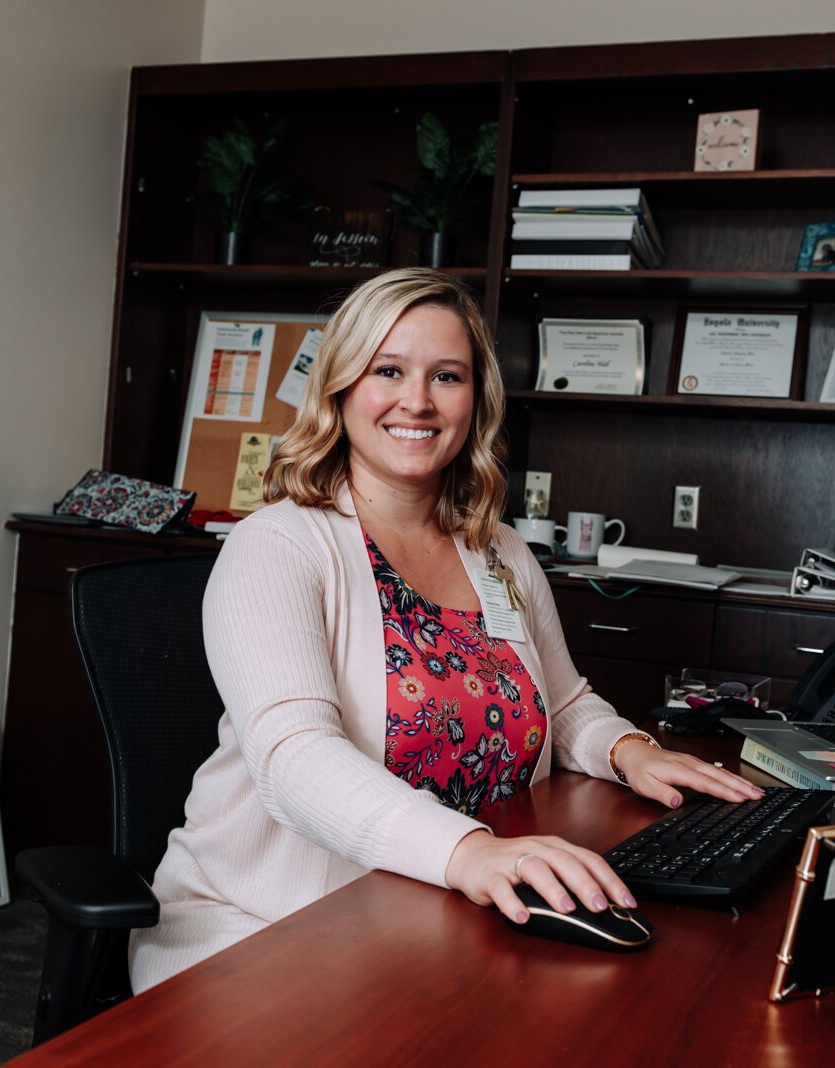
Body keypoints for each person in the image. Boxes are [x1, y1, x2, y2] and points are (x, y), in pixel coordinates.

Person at [129, 268, 761, 992]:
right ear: (340, 386)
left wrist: (630, 751)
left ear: (475, 401)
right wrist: (471, 851)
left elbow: (562, 705)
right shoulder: (277, 547)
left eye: (447, 376)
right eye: (388, 369)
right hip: (264, 929)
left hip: (430, 916)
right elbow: (294, 761)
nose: (418, 401)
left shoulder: (500, 552)